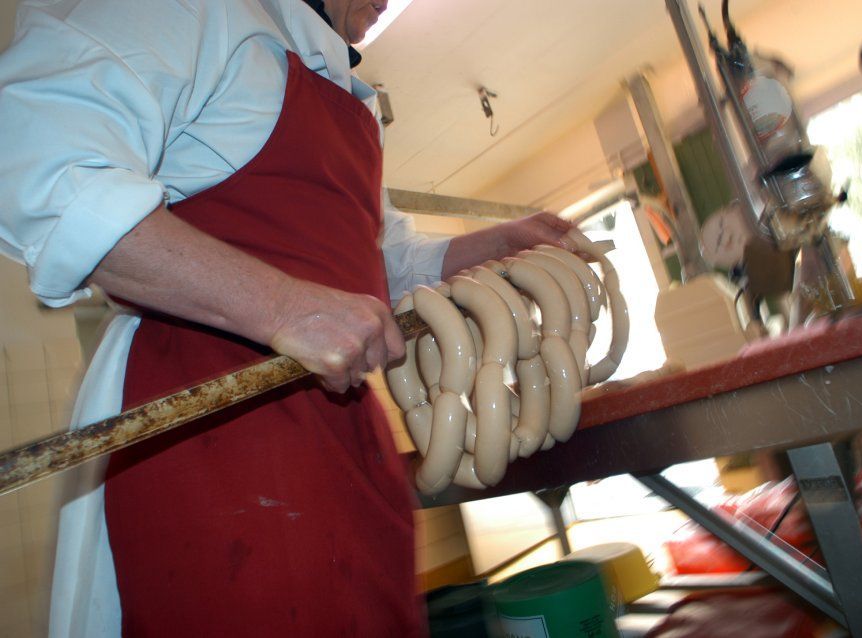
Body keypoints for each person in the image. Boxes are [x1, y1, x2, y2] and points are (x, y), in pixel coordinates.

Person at [0, 0, 578, 635]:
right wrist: (280, 306)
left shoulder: (339, 88)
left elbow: (359, 271)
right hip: (212, 427)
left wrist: (482, 250)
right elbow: (30, 159)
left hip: (343, 432)